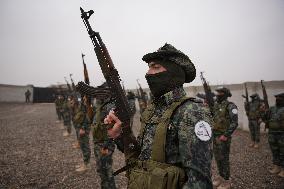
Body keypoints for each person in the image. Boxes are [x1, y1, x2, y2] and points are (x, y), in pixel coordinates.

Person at [104, 43, 213, 188]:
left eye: (155, 67)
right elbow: (142, 157)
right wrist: (120, 135)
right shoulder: (153, 109)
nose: (148, 73)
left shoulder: (192, 111)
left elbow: (199, 182)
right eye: (149, 67)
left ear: (173, 73)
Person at [212, 87, 238, 189]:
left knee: (224, 159)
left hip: (223, 137)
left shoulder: (230, 106)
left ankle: (227, 181)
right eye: (217, 92)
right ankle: (221, 177)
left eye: (220, 93)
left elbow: (234, 123)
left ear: (225, 94)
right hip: (215, 136)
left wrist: (226, 135)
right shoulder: (215, 105)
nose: (217, 94)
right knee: (218, 158)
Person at [92, 83, 116, 189]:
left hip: (104, 144)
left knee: (107, 170)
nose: (98, 94)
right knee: (101, 170)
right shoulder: (100, 104)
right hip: (99, 142)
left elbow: (112, 129)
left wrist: (106, 146)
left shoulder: (110, 106)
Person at [262, 93, 284, 177]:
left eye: (280, 98)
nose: (278, 99)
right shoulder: (272, 108)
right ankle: (276, 167)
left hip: (282, 134)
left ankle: (283, 169)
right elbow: (265, 119)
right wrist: (263, 111)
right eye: (277, 97)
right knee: (274, 151)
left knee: (283, 152)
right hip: (272, 134)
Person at [72, 95, 92, 172]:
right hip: (81, 127)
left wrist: (83, 128)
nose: (83, 97)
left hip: (84, 128)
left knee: (85, 146)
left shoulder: (88, 104)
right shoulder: (83, 103)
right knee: (83, 145)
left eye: (85, 96)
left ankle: (86, 165)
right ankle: (85, 163)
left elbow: (87, 117)